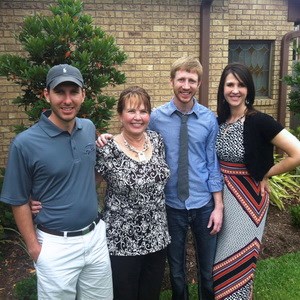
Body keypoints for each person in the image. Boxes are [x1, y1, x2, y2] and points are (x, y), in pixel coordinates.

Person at [97, 57, 224, 300]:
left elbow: (212, 164)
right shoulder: (155, 117)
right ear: (172, 81)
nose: (186, 86)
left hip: (203, 204)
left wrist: (218, 205)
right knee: (176, 272)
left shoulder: (209, 119)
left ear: (198, 84)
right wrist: (107, 138)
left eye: (192, 81)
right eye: (181, 79)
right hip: (171, 206)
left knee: (207, 271)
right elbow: (132, 133)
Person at [32, 86, 171, 300]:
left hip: (157, 237)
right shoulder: (107, 149)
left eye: (143, 111)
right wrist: (45, 200)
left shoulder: (158, 141)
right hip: (122, 242)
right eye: (131, 111)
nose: (137, 117)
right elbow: (84, 183)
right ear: (120, 115)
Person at [0, 64, 113, 299]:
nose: (67, 100)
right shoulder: (25, 143)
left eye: (74, 91)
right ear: (47, 94)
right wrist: (34, 249)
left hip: (95, 239)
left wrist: (107, 151)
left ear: (83, 95)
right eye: (60, 92)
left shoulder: (88, 128)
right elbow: (18, 199)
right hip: (55, 246)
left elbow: (89, 177)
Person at [213, 62, 300, 300]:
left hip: (248, 200)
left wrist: (267, 173)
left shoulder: (259, 121)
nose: (235, 90)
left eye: (241, 85)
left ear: (249, 90)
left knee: (237, 262)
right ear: (222, 88)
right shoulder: (220, 121)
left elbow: (297, 153)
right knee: (219, 265)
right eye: (230, 84)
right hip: (222, 198)